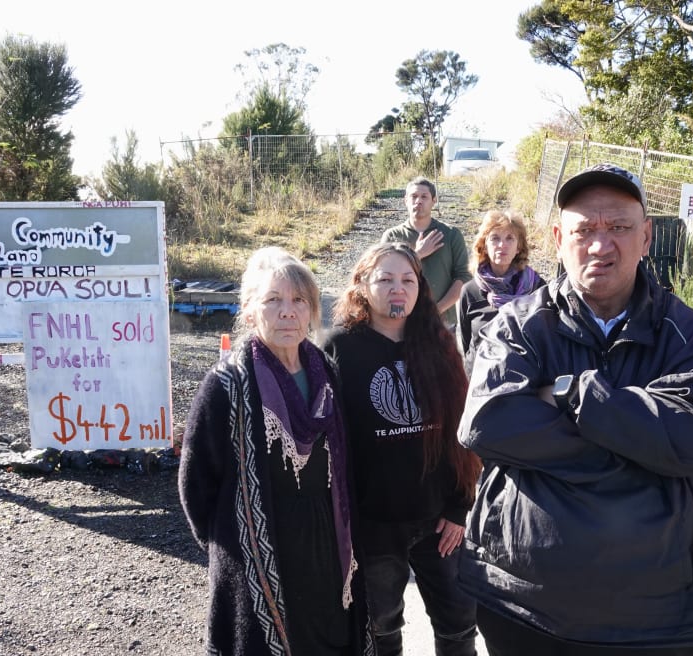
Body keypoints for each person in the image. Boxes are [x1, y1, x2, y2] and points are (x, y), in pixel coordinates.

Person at [457, 163, 693, 655]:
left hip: (653, 618)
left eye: (619, 228)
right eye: (584, 229)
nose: (599, 244)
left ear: (647, 235)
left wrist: (574, 395)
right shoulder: (518, 326)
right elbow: (487, 422)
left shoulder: (688, 333)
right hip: (524, 605)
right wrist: (641, 449)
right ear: (557, 237)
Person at [178, 247, 373, 656]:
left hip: (324, 546)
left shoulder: (326, 372)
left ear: (312, 311)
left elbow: (346, 464)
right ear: (250, 311)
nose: (288, 312)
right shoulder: (225, 385)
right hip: (256, 554)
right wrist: (227, 547)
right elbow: (196, 483)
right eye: (273, 300)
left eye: (299, 300)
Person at [323, 242, 482, 656]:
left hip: (439, 523)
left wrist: (460, 508)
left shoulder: (439, 344)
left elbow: (464, 433)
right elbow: (326, 442)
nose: (398, 289)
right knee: (381, 627)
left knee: (459, 624)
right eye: (386, 279)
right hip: (374, 526)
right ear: (362, 284)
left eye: (408, 280)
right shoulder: (339, 348)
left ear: (420, 288)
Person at [456, 209, 545, 371]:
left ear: (519, 247)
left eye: (510, 238)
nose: (502, 245)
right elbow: (467, 342)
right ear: (484, 246)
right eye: (495, 238)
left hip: (524, 381)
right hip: (480, 382)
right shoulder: (470, 291)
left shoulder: (537, 288)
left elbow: (545, 340)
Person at [381, 177, 471, 325]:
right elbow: (384, 276)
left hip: (442, 322)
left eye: (424, 197)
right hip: (401, 321)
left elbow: (463, 276)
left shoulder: (450, 234)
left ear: (434, 201)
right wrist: (417, 254)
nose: (418, 201)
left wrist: (437, 310)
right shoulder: (392, 236)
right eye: (414, 196)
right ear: (405, 200)